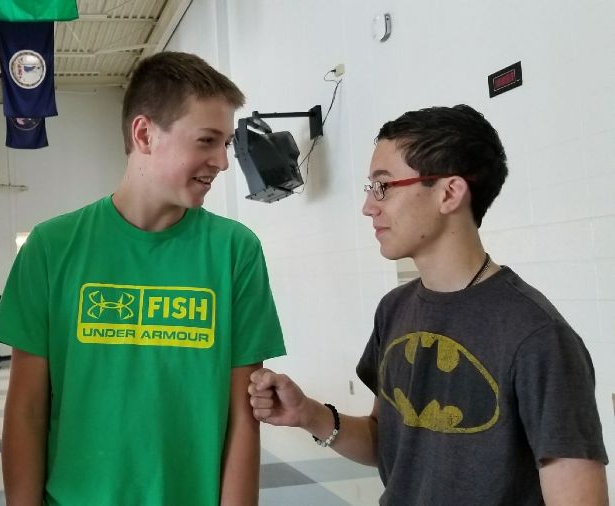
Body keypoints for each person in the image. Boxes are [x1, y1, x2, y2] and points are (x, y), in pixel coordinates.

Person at [249, 105, 609, 505]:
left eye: (383, 186)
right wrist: (309, 414)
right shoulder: (394, 310)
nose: (369, 206)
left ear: (449, 193)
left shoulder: (538, 337)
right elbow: (389, 446)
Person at [0, 51, 286, 505]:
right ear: (145, 133)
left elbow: (241, 417)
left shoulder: (235, 251)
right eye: (207, 141)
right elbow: (27, 410)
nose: (223, 162)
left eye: (225, 143)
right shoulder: (52, 248)